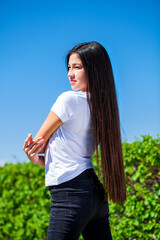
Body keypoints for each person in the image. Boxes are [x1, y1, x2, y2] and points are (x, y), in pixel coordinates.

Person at [23, 41, 126, 240]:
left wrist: (31, 151)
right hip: (95, 195)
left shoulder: (68, 100)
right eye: (69, 67)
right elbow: (69, 155)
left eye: (77, 67)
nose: (70, 73)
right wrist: (38, 159)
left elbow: (38, 142)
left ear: (94, 69)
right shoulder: (105, 109)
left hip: (70, 194)